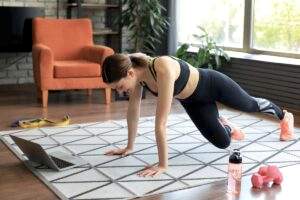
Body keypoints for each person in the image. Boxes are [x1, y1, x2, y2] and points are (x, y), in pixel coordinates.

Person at [102, 53, 294, 177]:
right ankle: (226, 125)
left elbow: (160, 124)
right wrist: (129, 146)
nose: (120, 91)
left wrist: (162, 165)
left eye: (119, 87)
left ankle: (284, 116)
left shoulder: (162, 68)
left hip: (212, 84)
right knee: (223, 143)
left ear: (130, 73)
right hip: (193, 102)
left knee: (249, 104)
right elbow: (133, 112)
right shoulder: (137, 78)